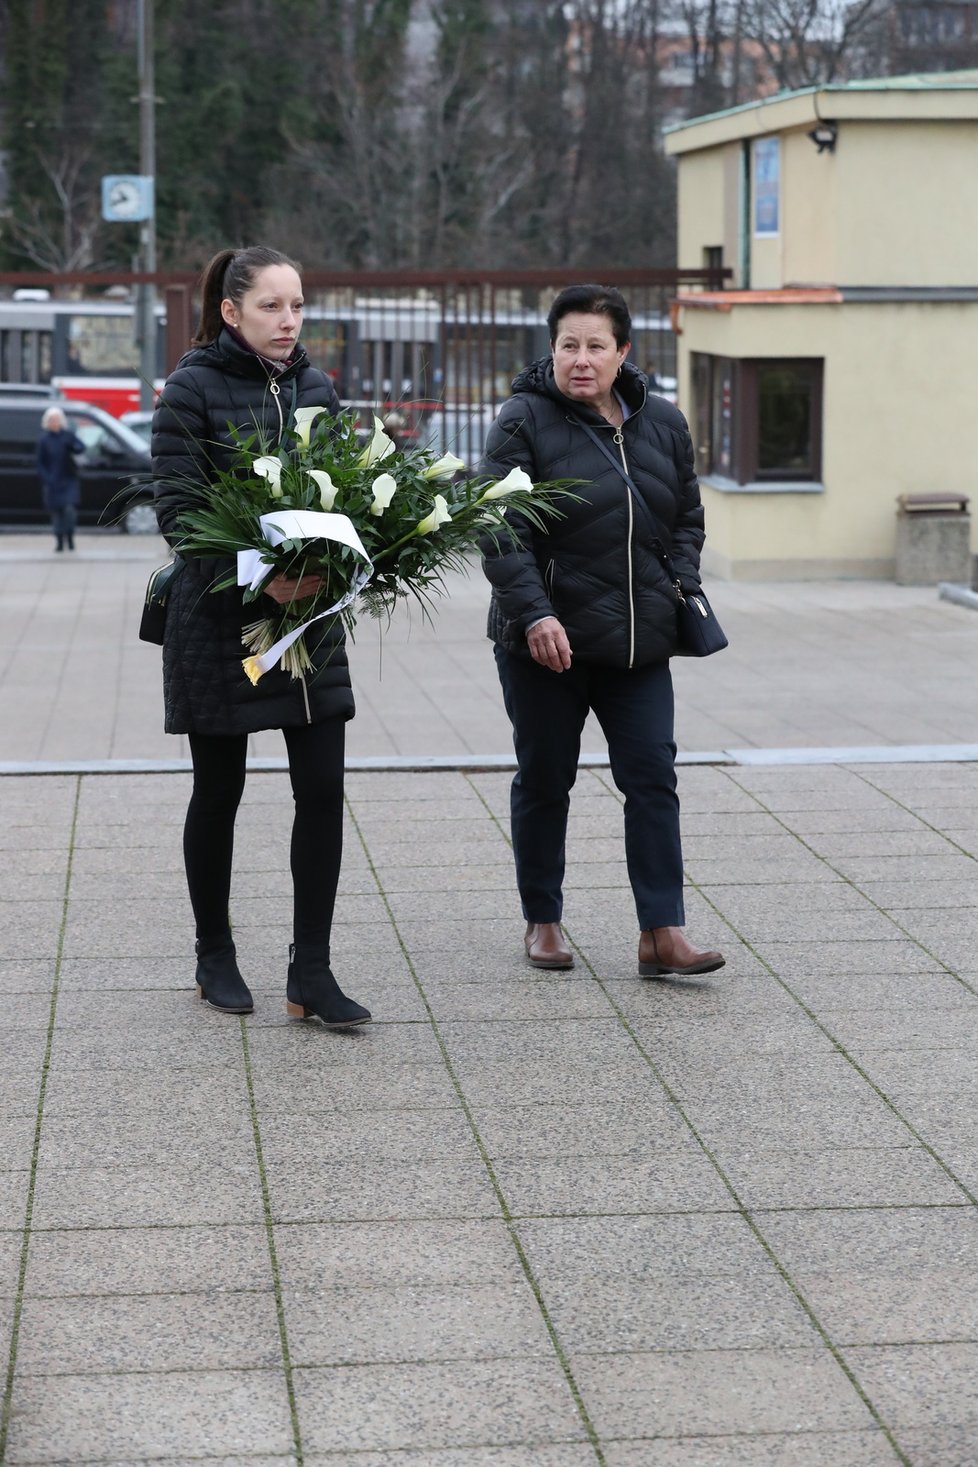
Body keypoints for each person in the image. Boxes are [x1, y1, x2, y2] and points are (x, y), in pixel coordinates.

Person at [152, 245, 370, 1028]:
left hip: (309, 619)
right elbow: (177, 515)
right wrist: (257, 575)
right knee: (221, 791)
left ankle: (311, 969)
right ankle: (215, 953)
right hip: (220, 625)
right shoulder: (190, 389)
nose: (289, 321)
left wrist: (336, 565)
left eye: (298, 305)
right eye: (273, 306)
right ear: (231, 311)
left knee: (322, 791)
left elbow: (344, 496)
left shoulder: (315, 386)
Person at [481, 283, 725, 978]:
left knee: (653, 775)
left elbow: (687, 517)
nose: (580, 360)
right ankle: (544, 919)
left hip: (639, 643)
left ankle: (662, 930)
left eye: (595, 346)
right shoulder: (523, 420)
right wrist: (535, 612)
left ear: (622, 352)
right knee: (546, 777)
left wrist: (679, 581)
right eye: (568, 345)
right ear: (551, 349)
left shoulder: (665, 424)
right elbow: (499, 528)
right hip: (546, 643)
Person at [37, 407, 85, 552]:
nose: (54, 422)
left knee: (69, 510)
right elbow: (40, 463)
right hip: (53, 482)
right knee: (57, 513)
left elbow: (81, 447)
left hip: (69, 479)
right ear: (47, 422)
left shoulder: (68, 436)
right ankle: (59, 541)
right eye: (52, 420)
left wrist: (73, 446)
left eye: (57, 419)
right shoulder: (44, 440)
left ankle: (70, 536)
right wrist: (47, 478)